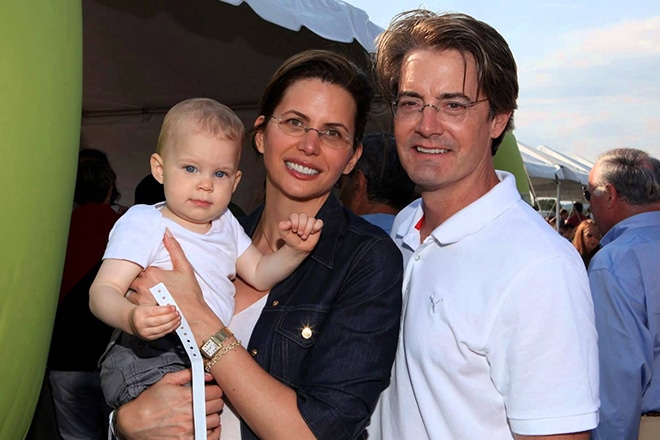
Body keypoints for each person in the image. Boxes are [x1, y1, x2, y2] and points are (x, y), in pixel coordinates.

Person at [111, 50, 403, 440]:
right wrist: (125, 423)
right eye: (295, 122)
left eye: (332, 133)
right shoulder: (200, 235)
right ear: (261, 135)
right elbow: (125, 365)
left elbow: (321, 432)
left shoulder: (366, 259)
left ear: (352, 158)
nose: (310, 145)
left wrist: (198, 318)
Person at [368, 10, 599, 439]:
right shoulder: (403, 229)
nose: (426, 125)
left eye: (453, 105)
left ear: (498, 119)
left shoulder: (540, 268)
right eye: (411, 103)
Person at [89, 98, 324, 411]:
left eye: (220, 174)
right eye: (190, 168)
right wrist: (130, 317)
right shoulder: (145, 221)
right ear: (159, 169)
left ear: (235, 181)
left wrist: (294, 250)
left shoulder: (227, 223)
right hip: (150, 352)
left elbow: (259, 273)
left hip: (204, 353)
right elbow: (102, 291)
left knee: (205, 422)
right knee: (178, 423)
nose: (205, 185)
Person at [585, 148, 660, 440]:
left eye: (588, 193)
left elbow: (618, 378)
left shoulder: (616, 261)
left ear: (610, 195)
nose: (588, 204)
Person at [48, 157, 120, 439]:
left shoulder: (53, 231)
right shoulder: (126, 229)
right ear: (109, 189)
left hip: (63, 359)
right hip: (112, 362)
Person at [337, 131, 416, 233]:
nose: (340, 196)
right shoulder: (421, 238)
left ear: (358, 183)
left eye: (340, 182)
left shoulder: (340, 238)